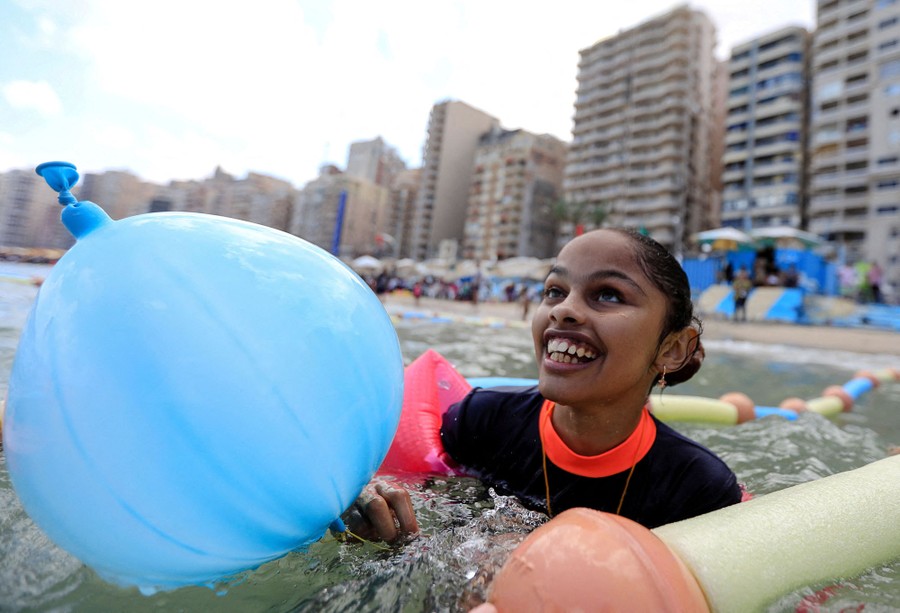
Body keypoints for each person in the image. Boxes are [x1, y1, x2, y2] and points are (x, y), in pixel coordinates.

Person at [347, 228, 742, 541]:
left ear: (672, 349)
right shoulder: (481, 422)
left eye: (608, 294)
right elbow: (426, 528)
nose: (564, 309)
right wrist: (378, 522)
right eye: (555, 290)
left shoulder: (695, 488)